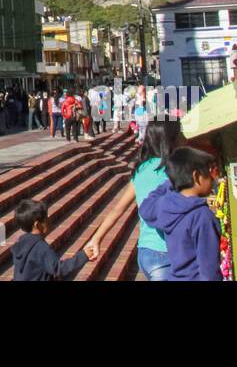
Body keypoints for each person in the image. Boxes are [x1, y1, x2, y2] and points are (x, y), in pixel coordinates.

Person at [83, 120, 183, 281]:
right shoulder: (173, 170)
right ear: (170, 140)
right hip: (166, 250)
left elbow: (118, 209)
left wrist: (96, 238)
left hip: (146, 251)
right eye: (179, 136)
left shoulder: (141, 169)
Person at [138, 146, 223, 281]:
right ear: (196, 176)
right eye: (210, 172)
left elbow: (146, 207)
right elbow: (209, 269)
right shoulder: (202, 216)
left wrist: (174, 181)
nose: (213, 179)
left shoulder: (166, 205)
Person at [11, 199, 88, 281]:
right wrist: (84, 255)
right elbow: (58, 269)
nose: (49, 221)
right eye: (46, 219)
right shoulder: (41, 248)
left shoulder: (21, 244)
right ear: (38, 225)